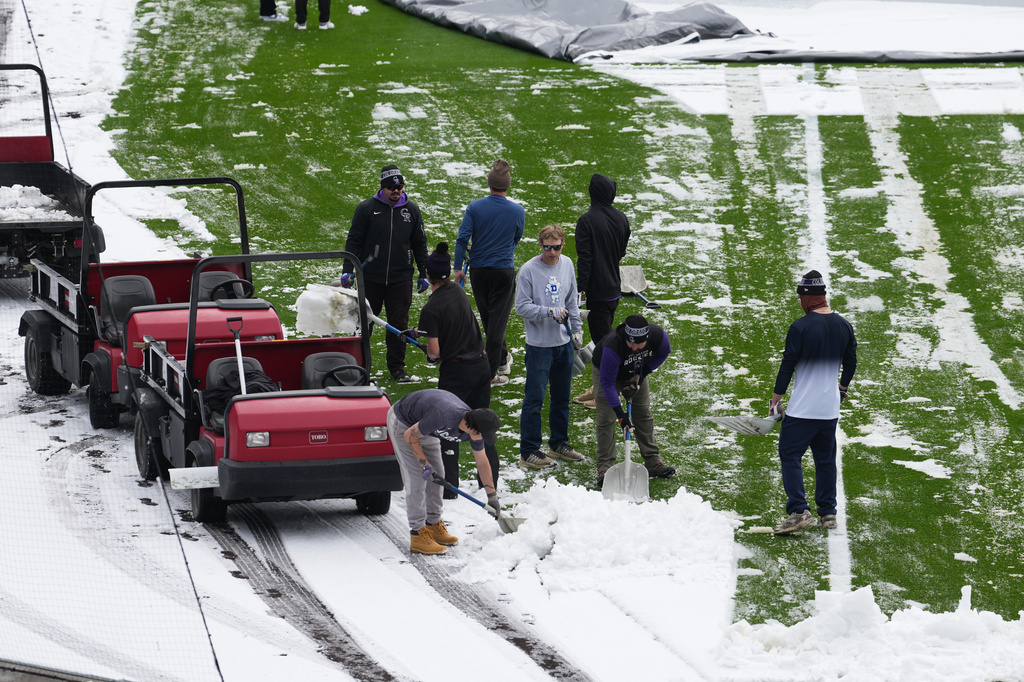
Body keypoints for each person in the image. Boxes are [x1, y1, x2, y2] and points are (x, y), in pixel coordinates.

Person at [769, 270, 857, 535]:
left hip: (803, 409)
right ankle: (828, 513)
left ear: (809, 298)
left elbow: (788, 364)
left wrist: (776, 398)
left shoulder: (800, 327)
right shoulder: (844, 325)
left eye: (800, 298)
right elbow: (851, 363)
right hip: (829, 409)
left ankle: (798, 511)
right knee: (825, 459)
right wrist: (841, 388)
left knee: (789, 453)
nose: (799, 302)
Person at [417, 241, 500, 499]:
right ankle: (490, 482)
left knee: (449, 426)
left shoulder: (431, 309)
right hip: (480, 366)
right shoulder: (457, 291)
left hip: (456, 373)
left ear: (428, 276)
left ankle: (450, 487)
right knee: (481, 424)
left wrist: (425, 349)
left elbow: (434, 353)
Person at [341, 164, 429, 383]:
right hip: (370, 278)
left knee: (398, 325)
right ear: (382, 187)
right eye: (391, 187)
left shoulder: (412, 211)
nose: (396, 190)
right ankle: (359, 366)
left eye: (399, 186)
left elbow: (419, 244)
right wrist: (347, 270)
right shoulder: (366, 209)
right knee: (364, 323)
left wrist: (423, 273)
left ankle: (397, 369)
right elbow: (354, 240)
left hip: (401, 279)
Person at [387, 389, 500, 555]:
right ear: (473, 429)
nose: (482, 439)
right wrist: (425, 466)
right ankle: (417, 533)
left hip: (427, 427)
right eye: (483, 435)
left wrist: (492, 497)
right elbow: (410, 435)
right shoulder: (446, 416)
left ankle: (433, 524)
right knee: (417, 478)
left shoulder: (473, 431)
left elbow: (482, 462)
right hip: (404, 424)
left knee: (438, 474)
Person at [513, 225, 584, 469]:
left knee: (561, 398)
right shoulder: (528, 271)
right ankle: (529, 451)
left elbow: (572, 301)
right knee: (534, 400)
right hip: (539, 347)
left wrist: (577, 330)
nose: (552, 252)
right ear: (540, 245)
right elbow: (520, 307)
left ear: (563, 244)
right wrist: (547, 312)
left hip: (563, 345)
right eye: (547, 247)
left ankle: (558, 444)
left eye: (556, 247)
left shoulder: (567, 265)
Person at [452, 159, 525, 387]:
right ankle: (491, 373)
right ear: (507, 185)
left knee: (490, 320)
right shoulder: (517, 211)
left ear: (490, 183)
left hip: (479, 271)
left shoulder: (474, 207)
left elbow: (463, 238)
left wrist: (457, 267)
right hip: (503, 271)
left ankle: (501, 359)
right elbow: (516, 237)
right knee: (497, 323)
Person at [592, 314, 675, 488]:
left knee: (643, 414)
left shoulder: (658, 337)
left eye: (638, 344)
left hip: (636, 369)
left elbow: (664, 353)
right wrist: (621, 416)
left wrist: (643, 373)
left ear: (646, 339)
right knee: (606, 418)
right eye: (630, 343)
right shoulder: (613, 346)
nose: (633, 346)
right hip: (607, 374)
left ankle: (653, 462)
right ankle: (605, 467)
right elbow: (607, 384)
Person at [573, 173, 631, 409]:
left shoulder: (586, 221)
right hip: (613, 288)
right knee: (604, 338)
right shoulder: (621, 218)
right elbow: (621, 253)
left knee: (604, 343)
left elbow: (585, 259)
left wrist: (580, 291)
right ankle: (599, 388)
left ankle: (608, 392)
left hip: (596, 291)